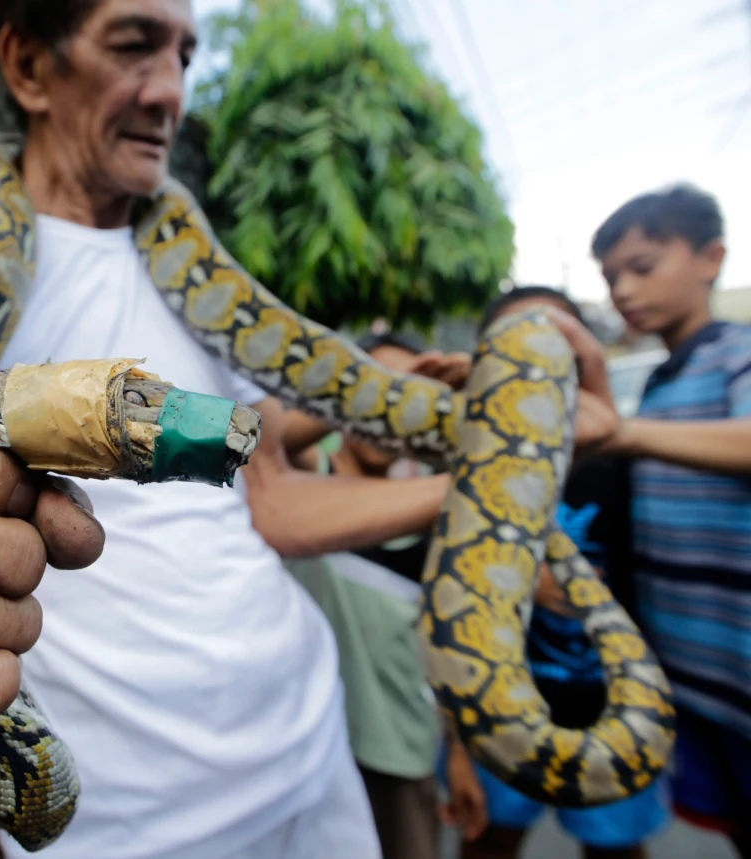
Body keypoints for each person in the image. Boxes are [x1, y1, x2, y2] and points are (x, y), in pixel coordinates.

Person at [0, 3, 620, 858]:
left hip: (307, 744)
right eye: (134, 46)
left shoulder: (198, 267)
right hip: (124, 816)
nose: (170, 91)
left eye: (183, 54)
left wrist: (515, 440)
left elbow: (268, 490)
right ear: (26, 66)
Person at [439, 286, 670, 859]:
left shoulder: (629, 461)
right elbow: (443, 626)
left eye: (554, 336)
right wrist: (458, 748)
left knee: (616, 850)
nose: (534, 352)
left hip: (614, 707)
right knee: (489, 842)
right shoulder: (457, 468)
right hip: (496, 718)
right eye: (512, 340)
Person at [589, 185, 751, 856]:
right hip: (696, 678)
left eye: (642, 266)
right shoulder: (658, 383)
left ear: (711, 258)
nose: (623, 290)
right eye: (610, 277)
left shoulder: (738, 352)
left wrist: (625, 434)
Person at [284, 331, 446, 859]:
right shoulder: (307, 477)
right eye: (379, 387)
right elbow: (266, 440)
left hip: (403, 747)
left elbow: (446, 646)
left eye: (410, 394)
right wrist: (370, 392)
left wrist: (461, 759)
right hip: (316, 743)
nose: (392, 408)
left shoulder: (433, 500)